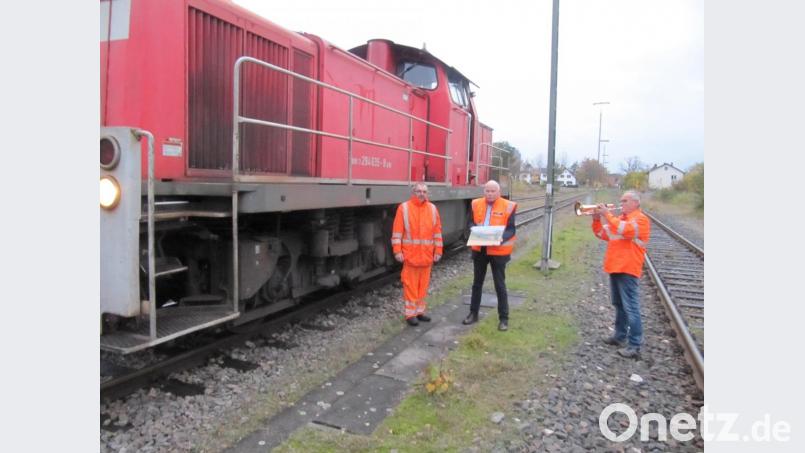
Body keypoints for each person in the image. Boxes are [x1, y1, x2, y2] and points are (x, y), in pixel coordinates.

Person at [592, 190, 651, 358]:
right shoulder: (620, 220)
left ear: (636, 203)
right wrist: (596, 219)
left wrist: (607, 214)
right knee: (619, 304)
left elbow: (626, 231)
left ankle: (634, 345)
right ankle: (619, 336)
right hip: (615, 267)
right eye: (621, 200)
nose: (622, 203)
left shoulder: (640, 219)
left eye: (625, 201)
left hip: (628, 268)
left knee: (631, 307)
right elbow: (601, 234)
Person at [462, 180, 517, 331]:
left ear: (498, 192)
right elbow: (469, 224)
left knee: (500, 285)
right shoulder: (475, 204)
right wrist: (474, 230)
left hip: (498, 251)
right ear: (484, 191)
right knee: (477, 283)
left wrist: (500, 238)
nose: (490, 193)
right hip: (480, 249)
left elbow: (511, 230)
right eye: (487, 191)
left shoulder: (508, 206)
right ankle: (473, 314)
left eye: (493, 191)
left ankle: (504, 319)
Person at [391, 183, 443, 326]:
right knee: (410, 286)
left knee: (423, 286)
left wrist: (438, 251)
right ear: (413, 192)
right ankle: (410, 315)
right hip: (411, 256)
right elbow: (397, 232)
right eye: (419, 191)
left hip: (426, 257)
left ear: (428, 193)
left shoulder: (432, 209)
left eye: (424, 191)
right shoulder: (404, 208)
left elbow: (437, 232)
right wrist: (397, 251)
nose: (422, 193)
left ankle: (420, 312)